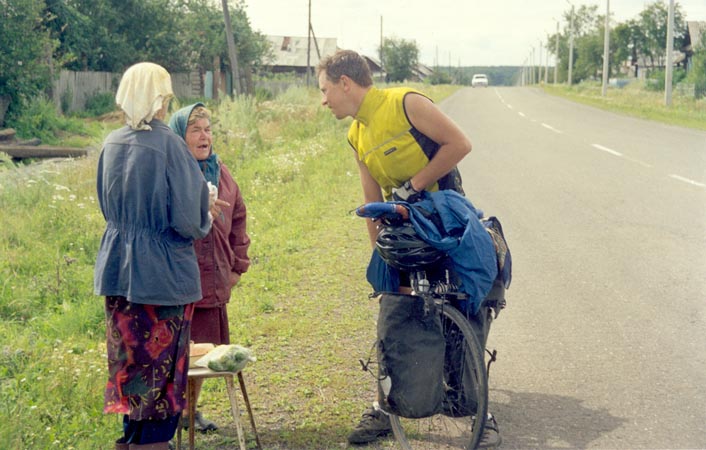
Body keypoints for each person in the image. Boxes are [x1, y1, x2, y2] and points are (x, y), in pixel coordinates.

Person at [317, 49, 501, 447]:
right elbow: (371, 203)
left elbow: (460, 144)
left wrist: (412, 187)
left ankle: (479, 412)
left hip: (444, 219)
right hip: (401, 229)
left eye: (325, 89)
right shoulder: (356, 133)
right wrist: (379, 253)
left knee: (463, 307)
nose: (324, 99)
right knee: (395, 313)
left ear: (345, 83)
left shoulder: (405, 103)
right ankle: (386, 406)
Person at [95, 62, 219, 450]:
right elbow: (188, 221)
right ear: (161, 99)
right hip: (163, 276)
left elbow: (106, 205)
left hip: (118, 270)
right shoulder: (168, 145)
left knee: (131, 366)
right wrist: (208, 210)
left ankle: (131, 441)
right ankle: (150, 445)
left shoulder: (111, 142)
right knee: (162, 374)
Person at [168, 103, 251, 432]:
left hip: (214, 278)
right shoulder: (175, 174)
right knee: (177, 353)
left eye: (208, 130)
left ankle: (189, 411)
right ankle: (169, 414)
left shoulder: (222, 171)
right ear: (179, 137)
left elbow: (239, 218)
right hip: (181, 282)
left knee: (204, 349)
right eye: (195, 130)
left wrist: (237, 268)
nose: (204, 136)